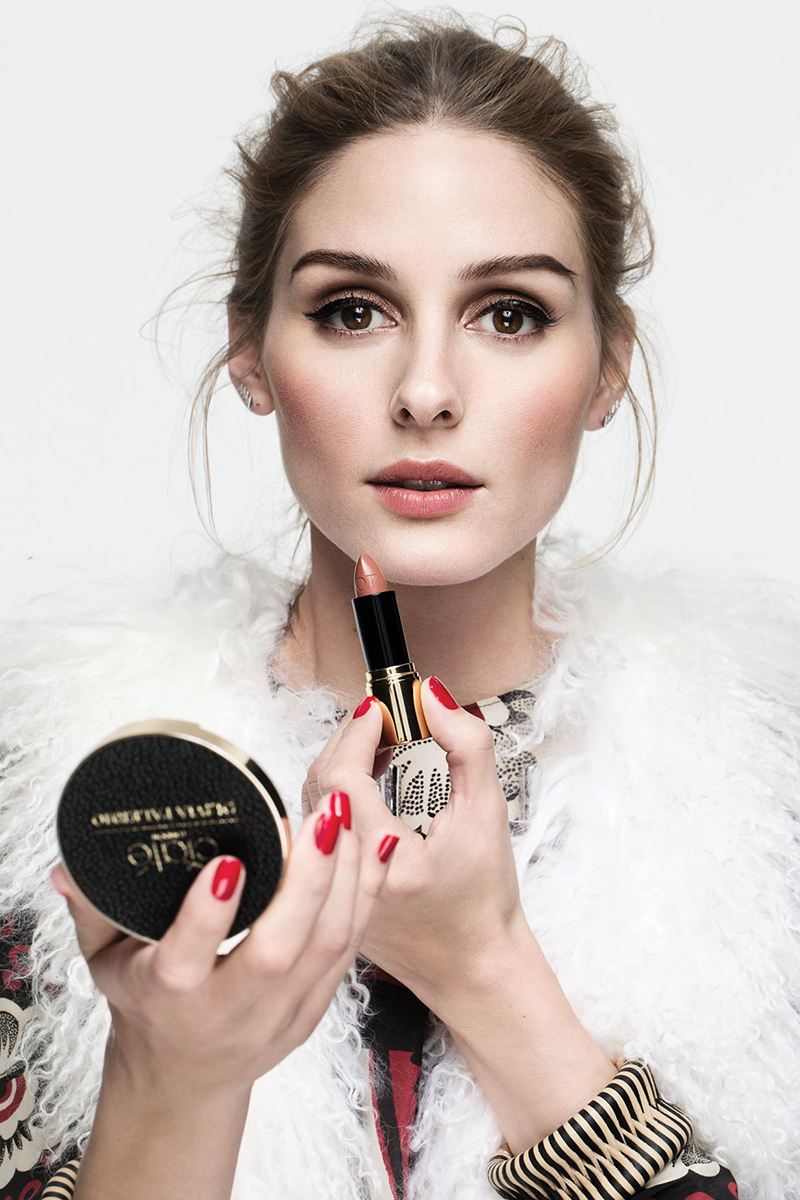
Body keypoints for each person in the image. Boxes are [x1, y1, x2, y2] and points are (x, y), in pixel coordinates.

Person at [1, 12, 798, 1200]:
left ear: (606, 368)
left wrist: (482, 966)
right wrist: (177, 1083)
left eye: (509, 313)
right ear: (252, 354)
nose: (425, 391)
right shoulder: (57, 806)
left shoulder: (769, 808)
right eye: (351, 310)